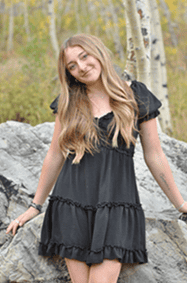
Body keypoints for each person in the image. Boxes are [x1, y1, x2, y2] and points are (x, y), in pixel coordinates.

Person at [6, 33, 187, 283]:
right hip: (71, 204)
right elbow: (55, 154)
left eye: (84, 56)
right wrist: (34, 207)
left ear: (98, 53)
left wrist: (181, 205)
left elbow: (154, 155)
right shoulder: (69, 101)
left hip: (116, 205)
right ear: (68, 72)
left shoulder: (136, 95)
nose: (81, 67)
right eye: (72, 65)